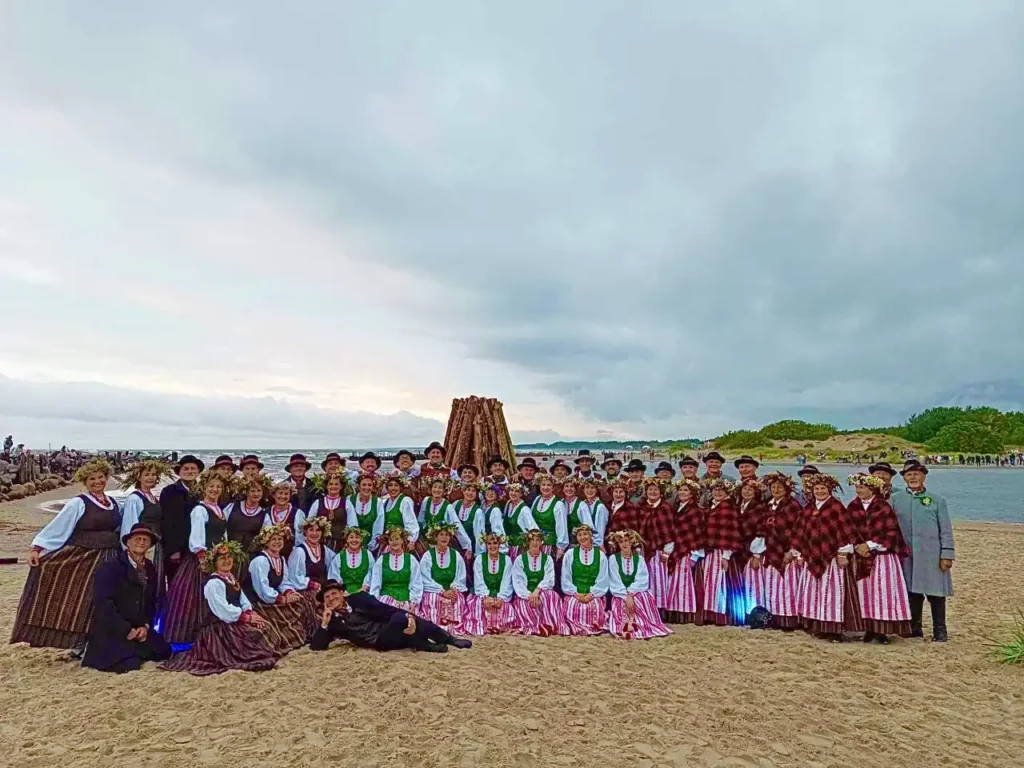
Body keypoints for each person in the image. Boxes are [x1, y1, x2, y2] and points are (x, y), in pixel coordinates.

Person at [10, 458, 121, 650]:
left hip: (110, 555)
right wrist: (37, 548)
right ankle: (77, 642)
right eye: (92, 479)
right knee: (80, 598)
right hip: (84, 556)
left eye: (100, 477)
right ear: (85, 482)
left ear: (107, 478)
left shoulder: (114, 503)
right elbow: (59, 527)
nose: (97, 481)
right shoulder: (78, 503)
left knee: (106, 598)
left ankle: (100, 640)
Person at [159, 541, 277, 675]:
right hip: (221, 627)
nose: (227, 561)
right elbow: (223, 610)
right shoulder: (213, 583)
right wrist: (246, 618)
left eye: (229, 557)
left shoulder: (231, 578)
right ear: (214, 563)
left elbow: (242, 599)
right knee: (252, 639)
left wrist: (250, 612)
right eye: (222, 559)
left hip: (236, 620)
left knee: (265, 626)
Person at [82, 524, 172, 672]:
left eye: (145, 540)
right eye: (137, 539)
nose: (141, 542)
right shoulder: (110, 567)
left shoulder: (150, 568)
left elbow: (151, 602)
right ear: (128, 542)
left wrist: (145, 626)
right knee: (129, 663)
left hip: (139, 628)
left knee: (164, 651)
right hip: (114, 629)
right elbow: (103, 604)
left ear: (150, 545)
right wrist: (126, 629)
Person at [310, 581, 472, 654]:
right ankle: (425, 645)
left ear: (341, 594)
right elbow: (317, 647)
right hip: (378, 642)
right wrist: (324, 622)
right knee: (402, 621)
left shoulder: (359, 598)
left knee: (405, 620)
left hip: (388, 630)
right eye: (327, 598)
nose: (331, 599)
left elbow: (385, 609)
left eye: (334, 594)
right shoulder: (333, 621)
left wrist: (409, 616)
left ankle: (448, 639)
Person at [162, 470, 229, 645]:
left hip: (218, 559)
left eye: (218, 487)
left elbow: (222, 534)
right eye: (211, 486)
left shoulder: (219, 509)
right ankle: (192, 636)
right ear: (204, 488)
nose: (215, 489)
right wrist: (204, 559)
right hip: (202, 560)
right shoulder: (200, 510)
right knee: (194, 598)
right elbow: (196, 539)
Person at [890, 460, 954, 642]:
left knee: (936, 595)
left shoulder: (937, 501)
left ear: (924, 476)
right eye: (908, 474)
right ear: (904, 478)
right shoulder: (895, 499)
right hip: (907, 555)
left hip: (932, 555)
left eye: (916, 473)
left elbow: (946, 529)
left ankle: (940, 631)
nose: (912, 477)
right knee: (913, 593)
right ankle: (914, 628)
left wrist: (947, 554)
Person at [792, 473, 861, 641]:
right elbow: (801, 532)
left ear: (830, 490)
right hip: (811, 556)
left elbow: (845, 531)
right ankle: (818, 626)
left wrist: (843, 553)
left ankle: (834, 629)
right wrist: (799, 553)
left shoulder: (836, 507)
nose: (820, 491)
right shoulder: (809, 508)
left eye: (823, 488)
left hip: (832, 558)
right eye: (817, 489)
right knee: (815, 593)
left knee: (831, 593)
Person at [846, 473, 912, 643]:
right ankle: (868, 629)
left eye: (862, 487)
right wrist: (857, 546)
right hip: (860, 555)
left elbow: (891, 532)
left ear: (872, 488)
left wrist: (870, 545)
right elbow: (847, 529)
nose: (858, 490)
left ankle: (882, 631)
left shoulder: (882, 506)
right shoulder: (853, 506)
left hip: (882, 556)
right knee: (864, 592)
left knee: (882, 592)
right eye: (857, 487)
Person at [246, 523, 314, 655]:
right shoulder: (260, 561)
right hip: (259, 602)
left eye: (280, 539)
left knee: (300, 602)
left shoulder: (281, 559)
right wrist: (281, 598)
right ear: (266, 542)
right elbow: (262, 589)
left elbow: (284, 581)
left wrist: (289, 592)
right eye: (273, 539)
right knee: (286, 613)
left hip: (271, 598)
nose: (277, 542)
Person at [118, 459, 172, 596]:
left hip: (155, 546)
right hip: (142, 548)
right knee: (143, 582)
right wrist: (131, 552)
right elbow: (128, 527)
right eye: (147, 474)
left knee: (155, 581)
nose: (151, 477)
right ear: (139, 477)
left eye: (154, 474)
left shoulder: (152, 497)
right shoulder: (135, 499)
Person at [606, 529, 672, 640]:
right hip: (620, 593)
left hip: (636, 592)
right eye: (621, 542)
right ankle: (627, 626)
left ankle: (642, 625)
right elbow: (615, 580)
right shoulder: (613, 559)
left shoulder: (639, 559)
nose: (624, 544)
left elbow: (642, 579)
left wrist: (631, 593)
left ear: (631, 542)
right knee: (621, 604)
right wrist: (625, 595)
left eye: (626, 541)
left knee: (642, 599)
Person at [758, 472, 803, 631]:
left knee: (787, 587)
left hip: (786, 551)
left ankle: (790, 620)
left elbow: (797, 530)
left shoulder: (793, 505)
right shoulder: (769, 505)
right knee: (773, 587)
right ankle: (775, 617)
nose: (776, 490)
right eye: (773, 487)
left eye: (780, 487)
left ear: (787, 489)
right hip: (771, 550)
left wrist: (792, 550)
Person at [638, 478, 681, 621]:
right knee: (646, 579)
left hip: (659, 550)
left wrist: (668, 551)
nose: (652, 492)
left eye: (655, 490)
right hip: (645, 549)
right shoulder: (642, 507)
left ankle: (660, 609)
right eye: (650, 489)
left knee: (659, 581)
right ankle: (646, 608)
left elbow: (670, 530)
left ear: (660, 492)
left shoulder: (665, 508)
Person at [702, 478, 743, 626]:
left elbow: (730, 532)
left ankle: (721, 614)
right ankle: (709, 612)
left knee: (720, 583)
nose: (718, 493)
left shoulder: (728, 508)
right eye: (715, 490)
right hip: (711, 551)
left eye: (721, 490)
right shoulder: (711, 506)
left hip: (722, 551)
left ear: (727, 492)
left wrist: (726, 556)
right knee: (709, 582)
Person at [159, 454, 204, 584]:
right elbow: (166, 522)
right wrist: (173, 550)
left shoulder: (203, 491)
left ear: (198, 471)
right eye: (186, 468)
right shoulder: (169, 491)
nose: (190, 471)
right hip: (178, 548)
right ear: (179, 471)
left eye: (193, 468)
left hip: (197, 547)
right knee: (177, 583)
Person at [417, 524, 470, 633]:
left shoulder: (456, 555)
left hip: (452, 589)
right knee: (433, 599)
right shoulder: (428, 556)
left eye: (447, 535)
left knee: (457, 599)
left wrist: (453, 589)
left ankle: (452, 626)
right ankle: (436, 627)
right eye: (441, 535)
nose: (444, 538)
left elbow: (460, 577)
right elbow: (425, 578)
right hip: (433, 590)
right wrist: (441, 591)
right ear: (435, 537)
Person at [511, 529, 565, 636]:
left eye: (538, 540)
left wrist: (538, 590)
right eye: (532, 540)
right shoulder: (520, 559)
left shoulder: (548, 559)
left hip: (542, 592)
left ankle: (549, 624)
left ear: (541, 542)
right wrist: (529, 595)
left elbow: (549, 580)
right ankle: (535, 626)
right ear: (528, 542)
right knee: (524, 604)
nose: (535, 543)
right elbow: (518, 582)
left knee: (552, 596)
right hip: (526, 594)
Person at [561, 525, 609, 635]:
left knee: (594, 606)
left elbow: (603, 579)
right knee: (574, 606)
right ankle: (576, 627)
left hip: (593, 593)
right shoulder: (570, 554)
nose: (583, 537)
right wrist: (576, 594)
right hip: (575, 593)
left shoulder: (600, 555)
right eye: (579, 535)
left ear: (591, 536)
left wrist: (591, 594)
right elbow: (566, 577)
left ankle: (593, 626)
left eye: (585, 534)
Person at [466, 532, 517, 634]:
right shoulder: (480, 559)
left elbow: (507, 582)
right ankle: (485, 627)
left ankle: (498, 627)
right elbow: (478, 580)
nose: (492, 546)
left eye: (495, 543)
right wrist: (485, 596)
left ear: (499, 544)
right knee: (478, 605)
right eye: (489, 543)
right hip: (482, 593)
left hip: (499, 593)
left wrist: (501, 597)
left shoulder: (506, 560)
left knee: (504, 607)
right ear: (486, 545)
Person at [672, 479, 706, 624]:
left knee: (687, 583)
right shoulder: (679, 507)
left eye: (686, 490)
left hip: (690, 550)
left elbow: (698, 533)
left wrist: (695, 554)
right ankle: (677, 612)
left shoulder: (695, 510)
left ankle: (688, 614)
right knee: (677, 582)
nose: (682, 493)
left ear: (692, 494)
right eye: (681, 490)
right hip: (679, 548)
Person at [369, 527, 423, 613]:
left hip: (406, 601)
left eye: (397, 539)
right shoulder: (381, 560)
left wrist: (413, 602)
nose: (394, 542)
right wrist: (375, 603)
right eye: (391, 540)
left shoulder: (411, 560)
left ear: (402, 540)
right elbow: (375, 584)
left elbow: (416, 583)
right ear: (388, 542)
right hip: (385, 601)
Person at [735, 479, 768, 614]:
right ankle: (742, 610)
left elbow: (761, 531)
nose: (746, 492)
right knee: (741, 580)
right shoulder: (738, 506)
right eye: (744, 489)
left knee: (753, 581)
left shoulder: (759, 507)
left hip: (752, 548)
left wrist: (756, 553)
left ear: (756, 493)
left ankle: (756, 612)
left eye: (750, 490)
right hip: (739, 548)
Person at [287, 516, 335, 597]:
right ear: (305, 532)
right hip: (306, 592)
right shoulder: (299, 551)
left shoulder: (326, 551)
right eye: (311, 530)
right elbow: (294, 576)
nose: (314, 533)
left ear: (323, 533)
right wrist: (310, 584)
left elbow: (335, 567)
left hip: (323, 591)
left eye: (318, 530)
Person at [304, 472, 348, 551]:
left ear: (341, 486)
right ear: (326, 486)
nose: (333, 486)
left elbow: (353, 524)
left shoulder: (346, 502)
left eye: (336, 484)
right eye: (330, 484)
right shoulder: (318, 502)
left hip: (340, 543)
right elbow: (309, 523)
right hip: (320, 542)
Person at [226, 476, 270, 553]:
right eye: (252, 491)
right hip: (228, 552)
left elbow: (266, 538)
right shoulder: (232, 507)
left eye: (259, 491)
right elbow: (221, 527)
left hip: (251, 555)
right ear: (246, 492)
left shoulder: (264, 515)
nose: (256, 494)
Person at [530, 475, 569, 555]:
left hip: (550, 545)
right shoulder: (537, 499)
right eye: (543, 484)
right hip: (535, 543)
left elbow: (561, 528)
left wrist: (561, 548)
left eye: (549, 485)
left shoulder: (558, 505)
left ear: (553, 488)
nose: (545, 487)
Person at [380, 472, 420, 547]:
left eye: (396, 485)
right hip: (389, 541)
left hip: (402, 541)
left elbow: (411, 522)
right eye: (390, 485)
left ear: (401, 487)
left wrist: (411, 540)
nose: (393, 488)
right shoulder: (385, 502)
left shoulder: (405, 501)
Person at [332, 527, 375, 593]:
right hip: (344, 593)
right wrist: (342, 591)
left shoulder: (368, 554)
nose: (354, 540)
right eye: (351, 537)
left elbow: (372, 573)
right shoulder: (339, 557)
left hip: (363, 592)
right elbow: (334, 576)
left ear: (361, 539)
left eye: (357, 537)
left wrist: (364, 588)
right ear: (347, 539)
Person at [347, 473, 384, 547]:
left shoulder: (378, 502)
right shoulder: (350, 499)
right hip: (351, 542)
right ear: (359, 487)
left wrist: (373, 543)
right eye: (364, 485)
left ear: (373, 487)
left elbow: (379, 525)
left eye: (369, 485)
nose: (366, 487)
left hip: (370, 543)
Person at [501, 482, 538, 558]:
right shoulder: (508, 503)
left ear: (521, 494)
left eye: (517, 491)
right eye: (512, 490)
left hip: (519, 548)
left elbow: (533, 530)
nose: (513, 493)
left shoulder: (524, 510)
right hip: (509, 546)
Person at [264, 481, 300, 555]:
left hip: (291, 553)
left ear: (290, 496)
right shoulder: (265, 512)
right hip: (269, 553)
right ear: (274, 495)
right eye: (280, 493)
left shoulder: (297, 513)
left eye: (286, 494)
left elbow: (300, 538)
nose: (283, 496)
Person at [453, 481, 486, 561]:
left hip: (470, 548)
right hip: (454, 545)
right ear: (463, 491)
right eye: (468, 490)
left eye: (473, 491)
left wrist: (478, 554)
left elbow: (479, 535)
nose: (470, 493)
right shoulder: (455, 504)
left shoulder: (478, 511)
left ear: (476, 494)